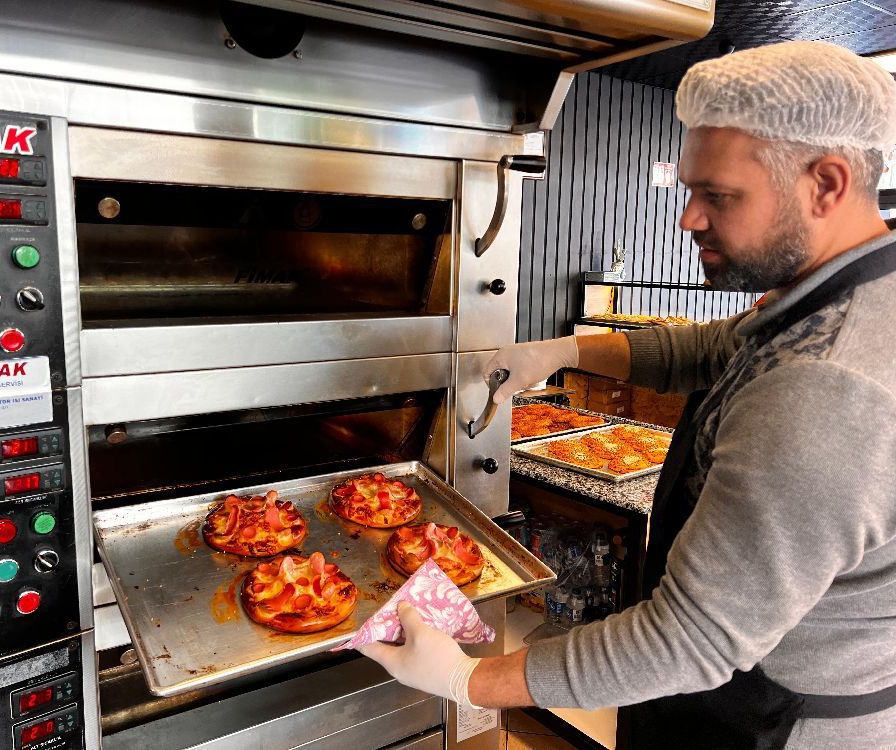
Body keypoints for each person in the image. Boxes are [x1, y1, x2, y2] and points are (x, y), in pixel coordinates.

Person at [358, 41, 896, 749]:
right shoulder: (845, 297)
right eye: (689, 192)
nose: (688, 221)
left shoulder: (825, 386)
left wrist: (470, 682)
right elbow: (707, 349)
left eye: (719, 196)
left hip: (772, 720)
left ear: (825, 184)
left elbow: (687, 641)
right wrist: (563, 350)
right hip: (742, 690)